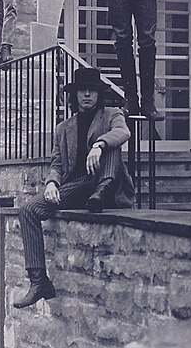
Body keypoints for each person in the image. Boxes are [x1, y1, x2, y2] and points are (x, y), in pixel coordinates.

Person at [13, 67, 135, 309]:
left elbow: (123, 133)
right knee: (27, 210)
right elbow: (57, 163)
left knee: (111, 146)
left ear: (99, 94)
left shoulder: (112, 114)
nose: (87, 95)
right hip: (78, 187)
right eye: (82, 90)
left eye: (91, 90)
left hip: (106, 182)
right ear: (75, 95)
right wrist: (51, 183)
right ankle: (39, 282)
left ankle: (103, 190)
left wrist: (99, 144)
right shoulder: (63, 128)